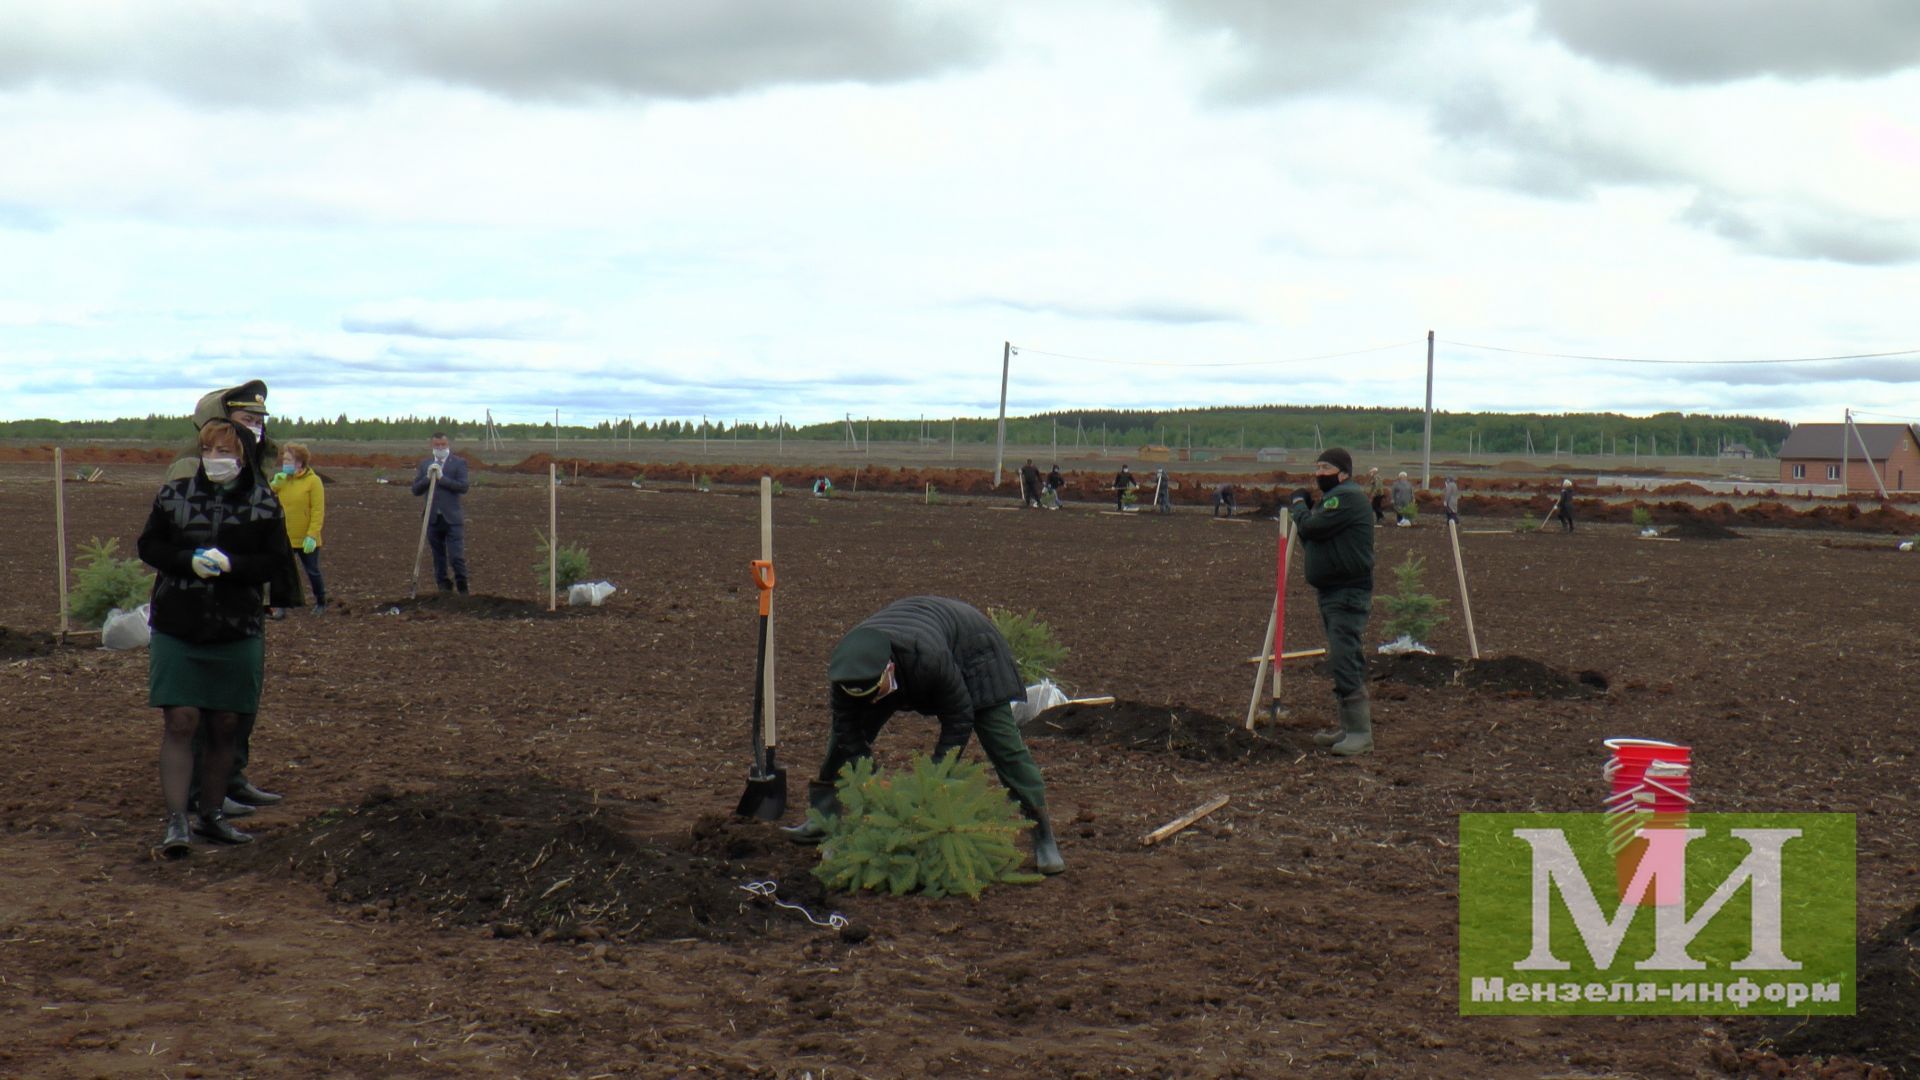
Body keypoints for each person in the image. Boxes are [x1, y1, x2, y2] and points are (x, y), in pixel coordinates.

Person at [783, 596, 1064, 875]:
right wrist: (868, 778)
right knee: (839, 744)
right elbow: (847, 728)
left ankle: (1043, 836)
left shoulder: (928, 660)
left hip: (973, 650)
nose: (869, 702)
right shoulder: (849, 670)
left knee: (1004, 746)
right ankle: (823, 818)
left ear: (888, 671)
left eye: (874, 694)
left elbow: (959, 717)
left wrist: (934, 777)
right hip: (910, 649)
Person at [140, 419, 297, 854]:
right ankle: (177, 821)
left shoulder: (263, 502)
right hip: (178, 624)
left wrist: (233, 566)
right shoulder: (174, 495)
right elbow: (149, 546)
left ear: (242, 456)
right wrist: (186, 560)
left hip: (235, 627)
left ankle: (212, 815)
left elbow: (275, 561)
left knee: (226, 723)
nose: (215, 460)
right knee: (181, 720)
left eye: (224, 453)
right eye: (208, 451)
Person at [166, 380, 293, 814]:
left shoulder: (252, 466)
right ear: (218, 423)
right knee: (201, 706)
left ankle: (231, 778)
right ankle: (202, 791)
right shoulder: (190, 468)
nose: (254, 428)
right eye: (246, 419)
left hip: (241, 600)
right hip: (196, 601)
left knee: (239, 699)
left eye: (259, 421)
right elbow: (174, 534)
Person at [1287, 448, 1376, 756]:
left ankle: (1360, 733)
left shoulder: (1346, 498)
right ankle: (1347, 728)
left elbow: (1310, 528)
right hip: (1331, 591)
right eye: (1317, 467)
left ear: (1343, 472)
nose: (1318, 473)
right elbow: (1313, 537)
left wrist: (1299, 506)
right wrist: (1308, 516)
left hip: (1347, 592)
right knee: (1340, 657)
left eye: (1325, 467)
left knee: (1345, 656)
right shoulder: (1331, 501)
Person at [270, 442, 328, 616]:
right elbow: (266, 498)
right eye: (284, 459)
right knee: (281, 572)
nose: (284, 463)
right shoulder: (282, 480)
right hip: (285, 536)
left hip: (306, 539)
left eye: (288, 459)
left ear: (300, 462)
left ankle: (321, 601)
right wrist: (273, 483)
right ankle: (280, 606)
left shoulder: (313, 482)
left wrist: (312, 535)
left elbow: (318, 510)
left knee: (312, 571)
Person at [412, 433, 471, 593]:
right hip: (432, 519)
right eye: (437, 445)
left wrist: (442, 478)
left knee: (456, 557)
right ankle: (444, 590)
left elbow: (463, 487)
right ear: (432, 446)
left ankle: (463, 589)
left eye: (443, 445)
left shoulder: (458, 463)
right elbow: (415, 490)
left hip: (452, 519)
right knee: (438, 558)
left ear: (448, 444)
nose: (440, 448)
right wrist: (427, 477)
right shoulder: (425, 464)